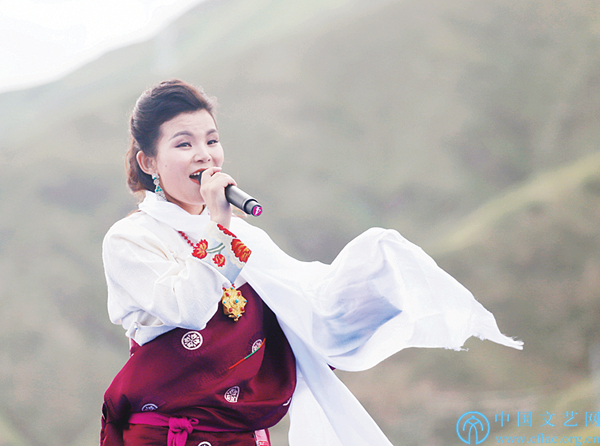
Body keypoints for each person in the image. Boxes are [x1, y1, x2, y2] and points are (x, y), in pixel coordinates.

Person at [100, 79, 522, 446]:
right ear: (148, 162)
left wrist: (375, 276)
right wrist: (220, 225)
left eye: (211, 140)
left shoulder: (245, 237)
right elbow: (188, 309)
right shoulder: (130, 239)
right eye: (184, 144)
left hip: (243, 435)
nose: (204, 155)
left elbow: (308, 305)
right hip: (170, 436)